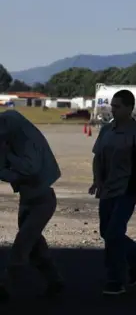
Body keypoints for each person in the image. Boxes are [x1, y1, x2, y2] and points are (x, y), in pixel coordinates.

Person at [89, 89, 136, 295]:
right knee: (106, 232)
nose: (113, 109)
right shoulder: (106, 131)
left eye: (118, 106)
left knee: (114, 233)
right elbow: (97, 157)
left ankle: (115, 279)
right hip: (108, 189)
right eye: (113, 105)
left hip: (127, 189)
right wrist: (97, 180)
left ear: (129, 108)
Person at [0, 110, 64, 303]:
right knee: (35, 245)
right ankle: (55, 281)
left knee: (22, 245)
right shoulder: (14, 137)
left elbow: (30, 169)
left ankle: (5, 286)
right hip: (29, 200)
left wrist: (7, 155)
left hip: (41, 200)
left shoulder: (21, 144)